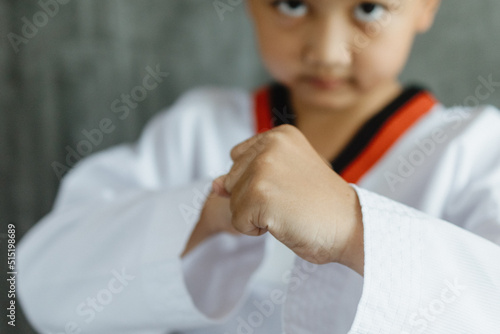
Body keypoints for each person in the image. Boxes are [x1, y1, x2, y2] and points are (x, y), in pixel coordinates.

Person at [18, 0, 500, 333]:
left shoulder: (476, 149)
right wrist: (204, 218)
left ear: (427, 7)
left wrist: (354, 228)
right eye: (291, 4)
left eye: (369, 8)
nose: (328, 52)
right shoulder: (195, 129)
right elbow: (42, 284)